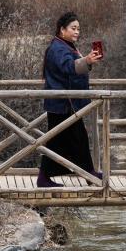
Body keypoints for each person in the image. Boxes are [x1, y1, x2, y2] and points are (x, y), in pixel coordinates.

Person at [37, 12, 104, 188]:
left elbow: (73, 66)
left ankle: (87, 173)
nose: (77, 32)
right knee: (61, 140)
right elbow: (68, 67)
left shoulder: (65, 46)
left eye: (78, 29)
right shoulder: (58, 48)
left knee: (73, 139)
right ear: (62, 29)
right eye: (73, 28)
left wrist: (87, 61)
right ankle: (85, 174)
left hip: (66, 103)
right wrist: (87, 60)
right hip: (62, 103)